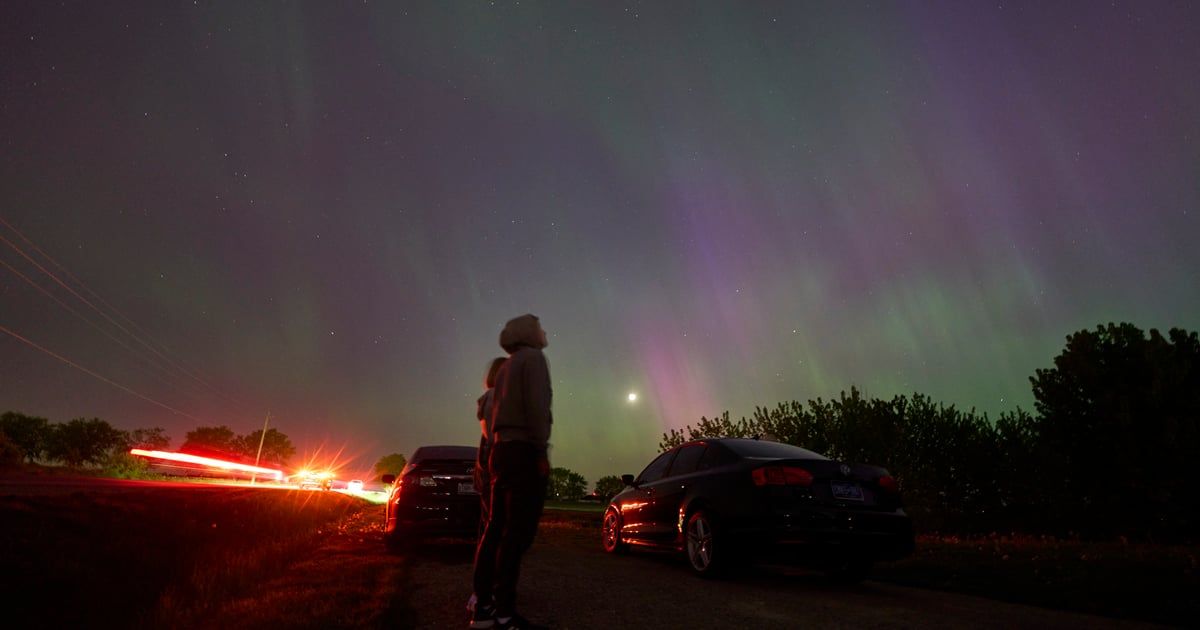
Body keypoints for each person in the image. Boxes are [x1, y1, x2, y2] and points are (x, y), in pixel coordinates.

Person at [470, 314, 553, 630]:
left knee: (495, 529)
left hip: (501, 453)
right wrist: (540, 450)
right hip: (522, 452)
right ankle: (505, 612)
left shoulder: (506, 367)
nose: (544, 332)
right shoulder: (533, 359)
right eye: (540, 327)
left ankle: (483, 608)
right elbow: (536, 407)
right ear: (529, 333)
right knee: (517, 533)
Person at [467, 356, 507, 616]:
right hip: (495, 476)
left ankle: (484, 593)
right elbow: (495, 438)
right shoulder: (494, 399)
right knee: (493, 535)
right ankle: (482, 596)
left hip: (491, 474)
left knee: (490, 533)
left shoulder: (493, 399)